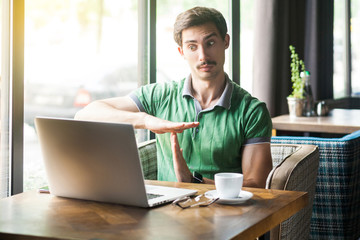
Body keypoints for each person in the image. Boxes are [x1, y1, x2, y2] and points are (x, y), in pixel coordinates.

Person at [75, 6, 273, 188]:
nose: (203, 55)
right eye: (192, 47)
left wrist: (195, 182)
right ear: (182, 51)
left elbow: (257, 186)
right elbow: (86, 114)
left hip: (225, 217)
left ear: (226, 42)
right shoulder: (159, 95)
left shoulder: (252, 111)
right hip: (167, 215)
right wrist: (146, 121)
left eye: (210, 43)